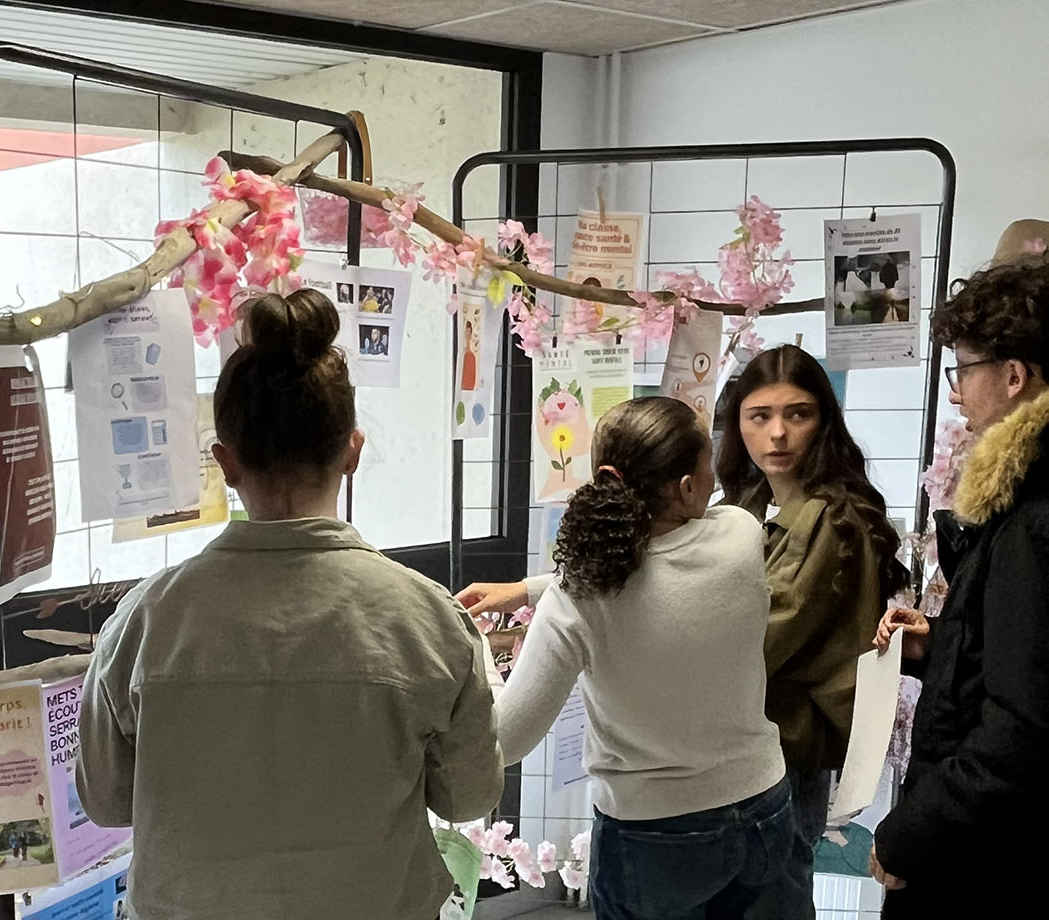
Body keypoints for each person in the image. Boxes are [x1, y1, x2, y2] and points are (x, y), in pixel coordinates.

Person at [76, 289, 502, 920]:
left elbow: (108, 803)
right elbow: (468, 798)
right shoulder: (430, 619)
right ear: (352, 450)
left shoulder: (144, 622)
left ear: (224, 463)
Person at [458, 397, 790, 920]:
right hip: (764, 810)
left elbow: (506, 741)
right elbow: (669, 572)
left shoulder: (579, 597)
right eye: (709, 466)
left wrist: (475, 647)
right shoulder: (740, 536)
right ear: (686, 488)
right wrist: (527, 591)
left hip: (655, 838)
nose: (714, 481)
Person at [870, 256, 1049, 916]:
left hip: (985, 864)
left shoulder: (1031, 520)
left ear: (1012, 377)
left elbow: (1019, 733)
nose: (954, 394)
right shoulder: (1021, 502)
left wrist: (907, 834)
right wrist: (944, 641)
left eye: (962, 371)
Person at [716, 344, 906, 919]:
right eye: (760, 416)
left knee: (772, 894)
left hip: (786, 750)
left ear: (823, 421)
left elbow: (765, 635)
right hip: (742, 744)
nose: (778, 433)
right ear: (739, 426)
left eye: (797, 414)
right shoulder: (748, 505)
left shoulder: (833, 517)